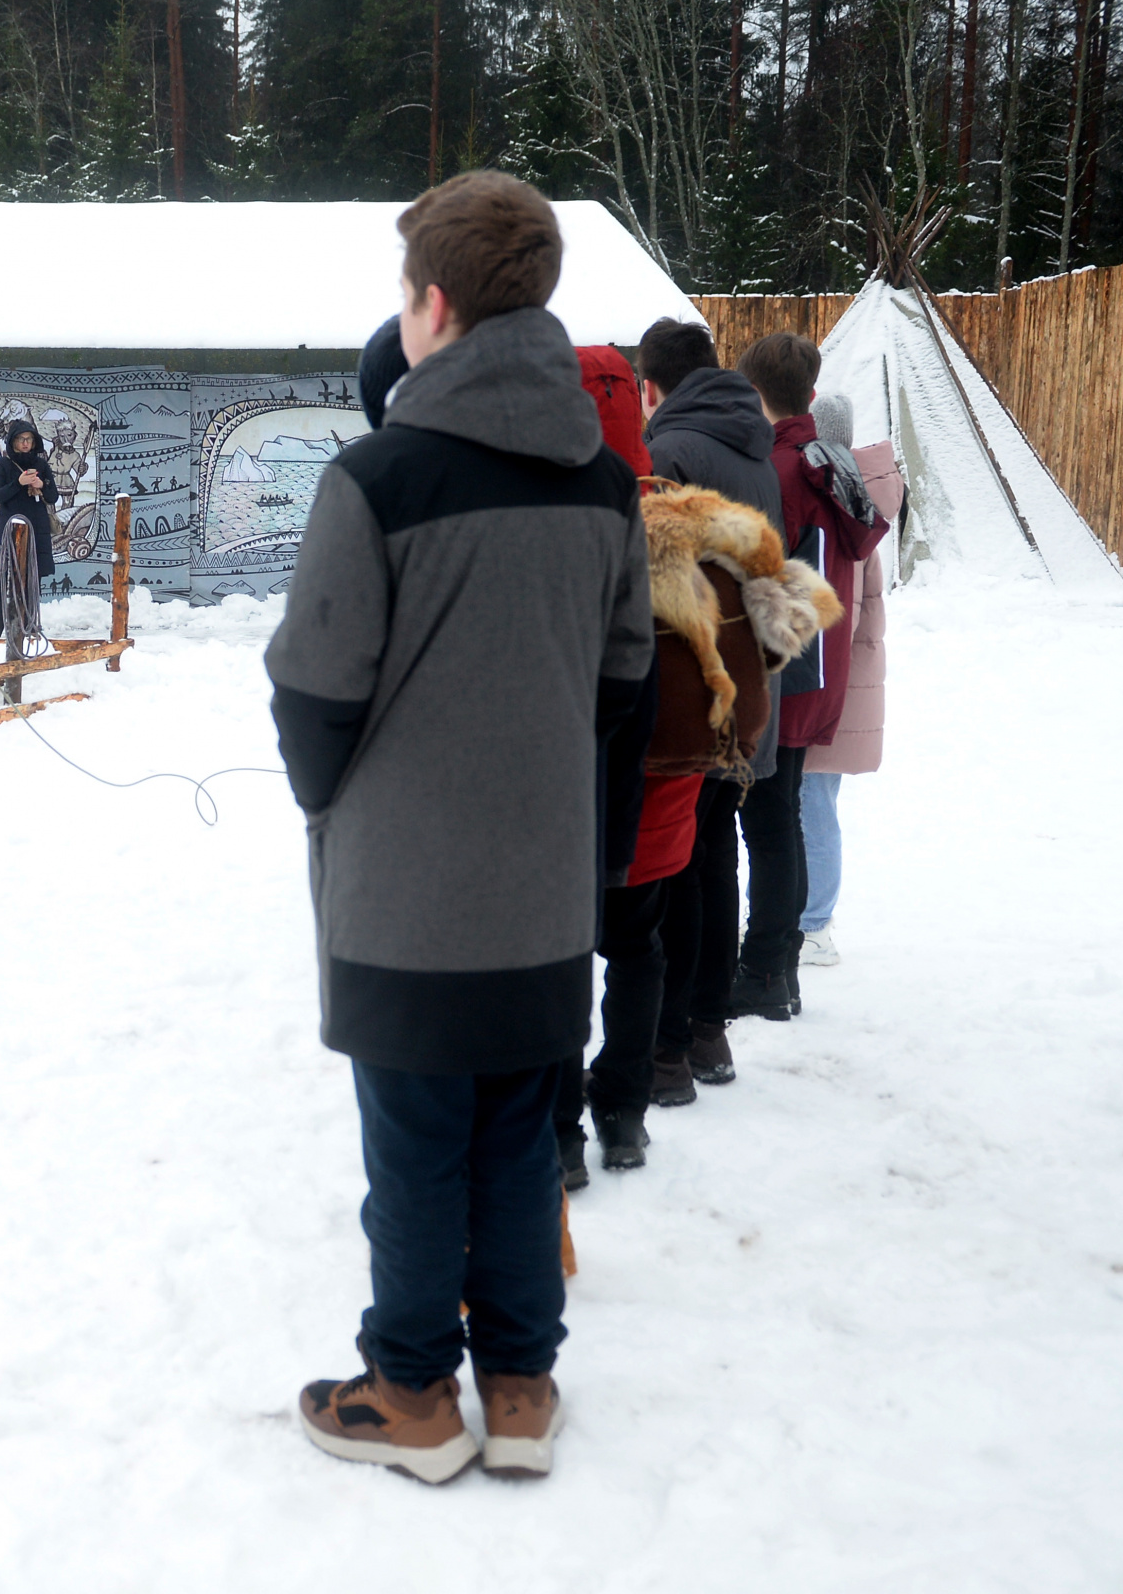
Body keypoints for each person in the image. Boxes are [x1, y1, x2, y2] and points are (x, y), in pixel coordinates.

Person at [270, 172, 653, 1483]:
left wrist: (335, 797)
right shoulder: (603, 486)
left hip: (408, 895)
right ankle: (522, 1389)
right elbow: (620, 681)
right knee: (511, 1132)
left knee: (417, 1146)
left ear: (428, 305)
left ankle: (412, 1393)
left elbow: (311, 686)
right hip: (541, 889)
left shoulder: (373, 479)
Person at [639, 317, 784, 1084]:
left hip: (694, 695)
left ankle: (670, 1039)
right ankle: (706, 1029)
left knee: (677, 866)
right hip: (750, 691)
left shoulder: (671, 453)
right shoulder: (754, 448)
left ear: (651, 385)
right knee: (713, 855)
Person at [556, 346, 675, 1184]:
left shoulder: (548, 510)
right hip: (663, 783)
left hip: (562, 793)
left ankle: (561, 1134)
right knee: (636, 950)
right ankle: (624, 1117)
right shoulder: (687, 517)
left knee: (559, 959)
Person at [733, 331, 876, 1017]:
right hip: (820, 664)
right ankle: (778, 968)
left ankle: (764, 968)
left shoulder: (779, 468)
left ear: (752, 394)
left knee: (767, 821)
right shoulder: (832, 464)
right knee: (782, 816)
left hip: (781, 666)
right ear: (811, 395)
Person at [798, 391, 891, 966]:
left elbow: (843, 609)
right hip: (843, 681)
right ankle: (809, 921)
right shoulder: (858, 502)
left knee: (810, 806)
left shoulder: (837, 502)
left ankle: (814, 927)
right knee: (812, 804)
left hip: (827, 681)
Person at [0, 420, 57, 638]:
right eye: (21, 439)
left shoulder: (41, 465)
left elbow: (53, 497)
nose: (26, 443)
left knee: (33, 580)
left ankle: (30, 627)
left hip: (37, 527)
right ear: (13, 441)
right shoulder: (3, 464)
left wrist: (42, 485)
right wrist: (20, 482)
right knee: (5, 577)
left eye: (29, 439)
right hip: (13, 528)